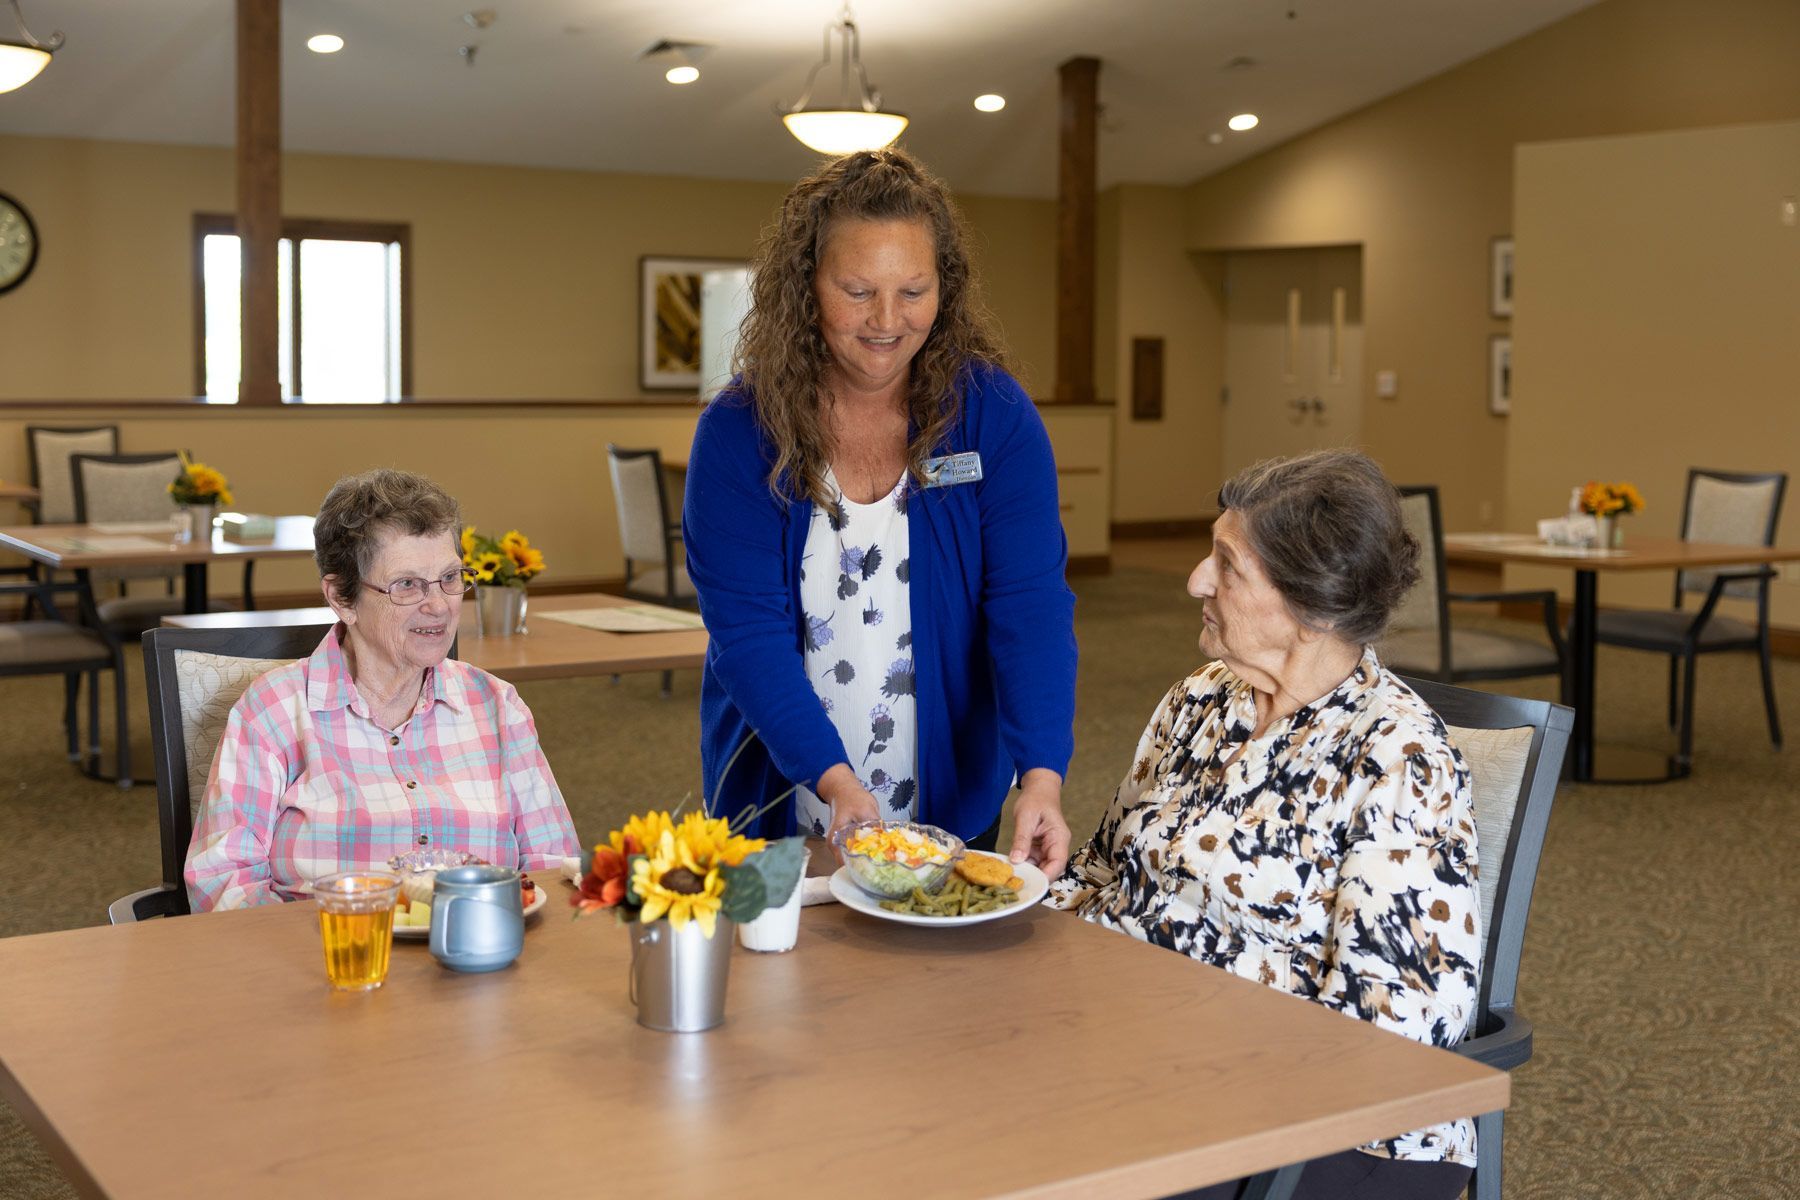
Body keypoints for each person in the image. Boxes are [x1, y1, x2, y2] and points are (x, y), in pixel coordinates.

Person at [1047, 449, 1481, 1200]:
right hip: (1123, 1055)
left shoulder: (1397, 758)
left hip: (1321, 1124)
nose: (1194, 581)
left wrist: (1165, 1033)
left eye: (1226, 565)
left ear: (1310, 606)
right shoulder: (1201, 699)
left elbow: (1396, 1032)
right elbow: (1099, 876)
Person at [684, 148, 1075, 874]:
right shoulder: (740, 428)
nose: (888, 321)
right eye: (857, 290)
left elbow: (1030, 608)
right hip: (782, 790)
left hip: (951, 790)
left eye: (914, 290)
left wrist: (1040, 775)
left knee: (944, 983)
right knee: (781, 984)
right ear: (805, 287)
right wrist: (834, 781)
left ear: (945, 289)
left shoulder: (992, 417)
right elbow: (746, 634)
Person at [185, 469, 579, 910]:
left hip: (482, 960)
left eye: (450, 578)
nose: (438, 605)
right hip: (335, 961)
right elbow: (222, 879)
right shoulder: (274, 710)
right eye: (407, 585)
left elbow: (552, 864)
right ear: (341, 598)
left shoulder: (498, 707)